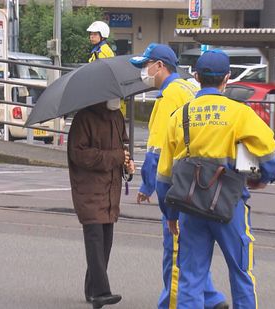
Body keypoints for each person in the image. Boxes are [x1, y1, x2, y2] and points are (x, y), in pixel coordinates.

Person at [156, 50, 275, 308]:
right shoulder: (240, 113)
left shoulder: (180, 116)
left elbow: (164, 175)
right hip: (230, 204)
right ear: (227, 78)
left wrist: (170, 214)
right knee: (241, 272)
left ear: (196, 77)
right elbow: (272, 158)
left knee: (191, 277)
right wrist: (263, 178)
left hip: (189, 207)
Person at [130, 43, 229, 309]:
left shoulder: (170, 96)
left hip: (178, 184)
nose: (144, 72)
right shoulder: (186, 87)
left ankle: (173, 304)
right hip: (201, 180)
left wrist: (150, 185)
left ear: (159, 66)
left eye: (145, 66)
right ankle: (210, 297)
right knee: (193, 251)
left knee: (175, 252)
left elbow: (157, 151)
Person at [67, 100, 135, 309]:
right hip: (89, 189)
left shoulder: (116, 117)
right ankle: (100, 292)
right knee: (96, 241)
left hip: (110, 190)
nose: (119, 100)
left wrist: (127, 163)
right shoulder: (84, 118)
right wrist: (116, 157)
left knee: (105, 242)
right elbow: (79, 155)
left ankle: (91, 288)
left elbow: (122, 148)